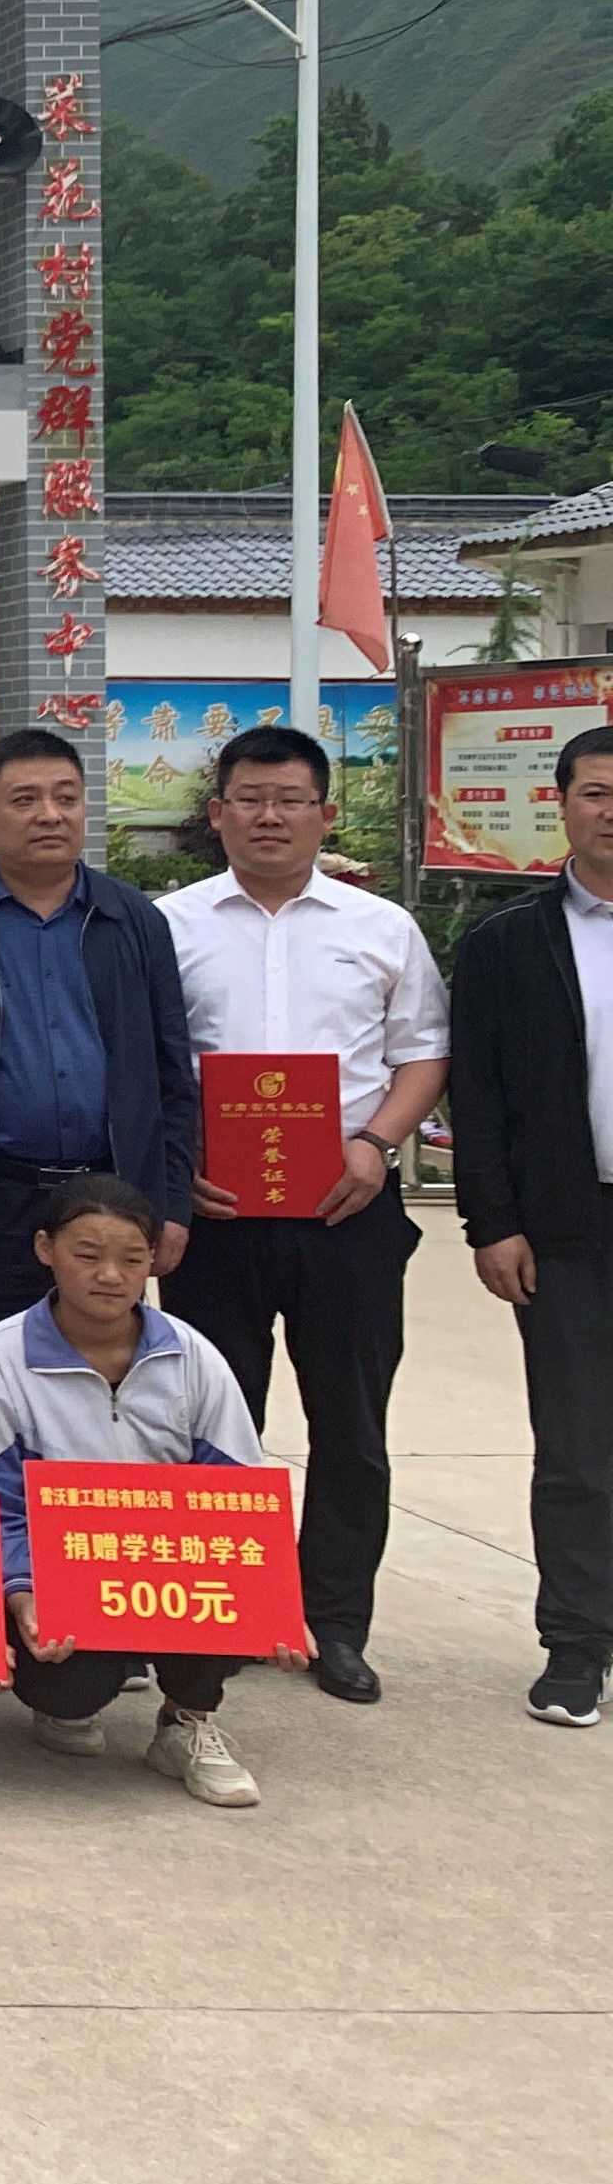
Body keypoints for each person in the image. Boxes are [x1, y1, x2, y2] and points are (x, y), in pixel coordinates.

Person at [154, 722, 447, 1709]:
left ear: (324, 814)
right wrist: (182, 1160)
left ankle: (335, 1622)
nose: (269, 817)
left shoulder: (381, 928)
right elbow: (149, 1063)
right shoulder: (171, 926)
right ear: (218, 813)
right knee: (214, 1417)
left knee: (351, 1424)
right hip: (217, 1214)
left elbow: (422, 1053)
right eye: (250, 799)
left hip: (346, 1210)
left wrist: (377, 1143)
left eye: (289, 800)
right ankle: (227, 1609)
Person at [0, 730, 199, 1487]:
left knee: (105, 1396)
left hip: (109, 1200)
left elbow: (172, 1073)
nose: (49, 815)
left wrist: (169, 1203)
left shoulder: (134, 920)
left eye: (66, 798)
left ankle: (92, 1548)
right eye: (25, 799)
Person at [0, 1171, 270, 1808]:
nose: (110, 1276)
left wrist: (274, 1607)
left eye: (132, 1259)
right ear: (45, 1249)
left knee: (228, 1588)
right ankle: (62, 1708)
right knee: (68, 1683)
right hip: (61, 1577)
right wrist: (21, 1593)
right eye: (88, 1256)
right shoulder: (3, 1357)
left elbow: (238, 1494)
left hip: (169, 1568)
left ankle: (187, 1723)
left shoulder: (191, 1355)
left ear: (153, 1259)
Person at [444, 720, 613, 1728]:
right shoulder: (508, 943)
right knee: (579, 1444)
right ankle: (577, 1645)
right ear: (563, 804)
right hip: (564, 1225)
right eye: (597, 792)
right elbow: (479, 1094)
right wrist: (492, 1222)